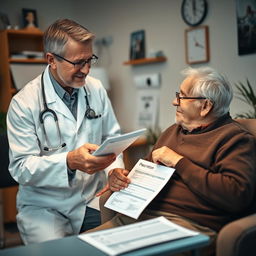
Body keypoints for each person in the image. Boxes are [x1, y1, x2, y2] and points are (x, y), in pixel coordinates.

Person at [88, 67, 256, 255]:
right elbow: (143, 172)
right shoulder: (171, 132)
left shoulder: (235, 139)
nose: (174, 101)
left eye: (182, 97)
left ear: (206, 106)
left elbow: (236, 195)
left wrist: (179, 162)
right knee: (78, 249)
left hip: (185, 225)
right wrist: (119, 177)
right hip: (137, 219)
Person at [7, 19, 124, 244]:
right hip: (44, 207)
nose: (87, 70)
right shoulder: (24, 103)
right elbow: (21, 168)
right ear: (51, 59)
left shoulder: (96, 89)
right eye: (79, 63)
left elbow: (112, 138)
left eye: (90, 60)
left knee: (116, 245)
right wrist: (69, 161)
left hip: (91, 198)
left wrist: (114, 172)